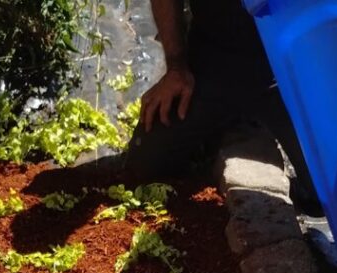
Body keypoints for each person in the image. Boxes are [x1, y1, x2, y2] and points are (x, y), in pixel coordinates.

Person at [126, 0, 319, 210]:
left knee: (327, 190)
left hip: (284, 65)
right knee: (147, 163)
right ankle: (218, 128)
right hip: (214, 59)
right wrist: (176, 67)